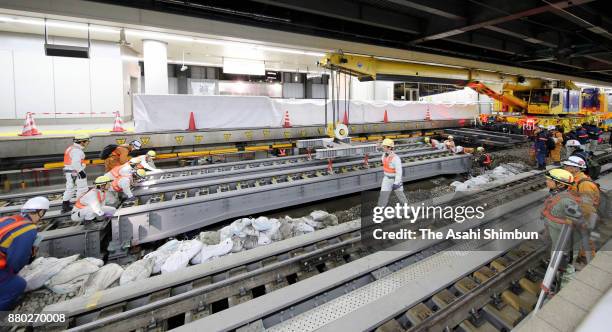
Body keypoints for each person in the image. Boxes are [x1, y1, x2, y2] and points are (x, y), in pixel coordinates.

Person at [541, 169, 591, 285]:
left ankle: (564, 287)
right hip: (558, 240)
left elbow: (579, 221)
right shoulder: (556, 195)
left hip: (564, 245)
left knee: (565, 269)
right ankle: (556, 281)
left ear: (561, 184)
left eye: (549, 180)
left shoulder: (566, 201)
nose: (547, 181)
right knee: (558, 266)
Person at [0, 197, 49, 310]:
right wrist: (31, 253)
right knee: (18, 284)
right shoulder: (28, 229)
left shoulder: (8, 219)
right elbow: (17, 263)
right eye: (43, 213)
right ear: (40, 212)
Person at [563, 156, 600, 227]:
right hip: (577, 212)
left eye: (566, 166)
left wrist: (584, 223)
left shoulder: (584, 184)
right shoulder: (575, 180)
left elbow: (587, 206)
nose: (564, 168)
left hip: (584, 219)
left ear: (574, 168)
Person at [61, 134, 91, 213]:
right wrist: (81, 172)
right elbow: (75, 163)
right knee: (82, 189)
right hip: (76, 171)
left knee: (70, 188)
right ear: (82, 142)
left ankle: (65, 205)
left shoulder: (71, 148)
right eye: (87, 141)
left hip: (69, 171)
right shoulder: (77, 151)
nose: (88, 143)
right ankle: (81, 206)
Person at [377, 139, 408, 207]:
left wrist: (396, 183)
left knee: (400, 194)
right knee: (383, 194)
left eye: (384, 146)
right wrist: (377, 145)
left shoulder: (396, 158)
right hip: (387, 179)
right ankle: (380, 208)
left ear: (390, 147)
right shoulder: (384, 155)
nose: (383, 148)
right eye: (383, 146)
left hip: (395, 179)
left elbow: (399, 172)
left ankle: (405, 205)